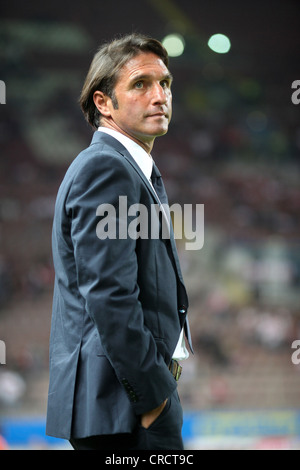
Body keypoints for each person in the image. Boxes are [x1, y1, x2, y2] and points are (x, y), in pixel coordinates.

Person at [46, 33, 193, 451]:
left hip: (122, 404)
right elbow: (110, 294)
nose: (160, 95)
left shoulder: (124, 167)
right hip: (124, 408)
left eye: (165, 83)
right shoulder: (107, 170)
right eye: (140, 84)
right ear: (103, 102)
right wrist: (154, 399)